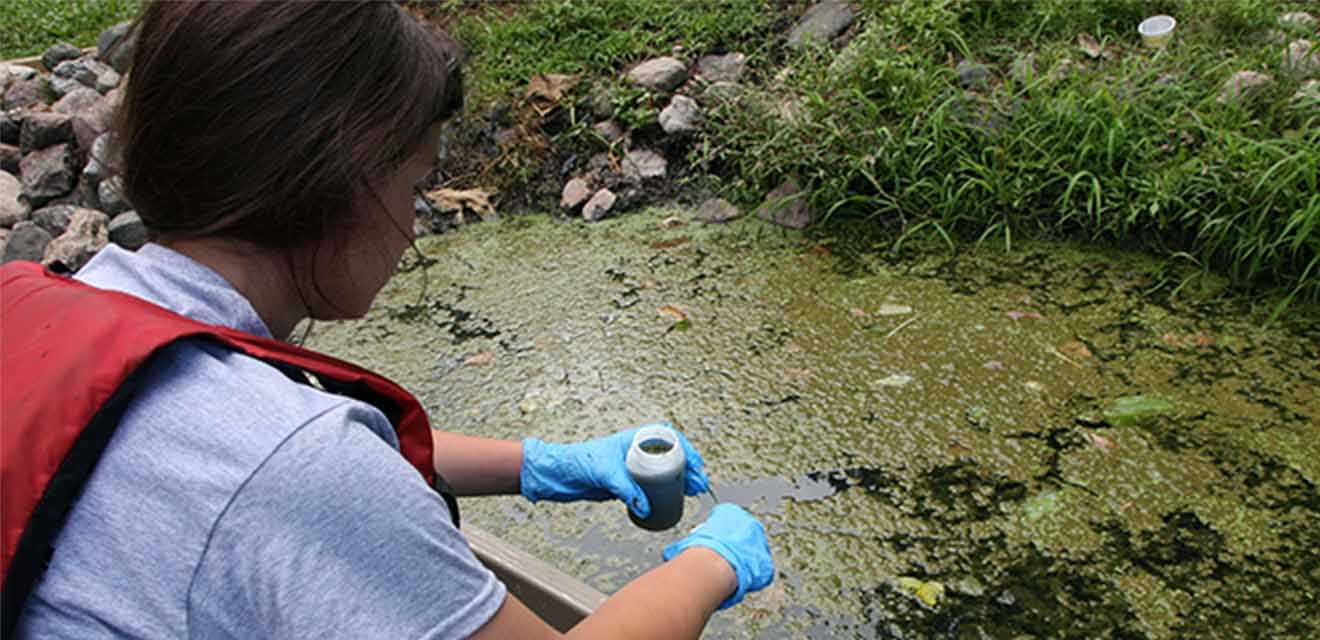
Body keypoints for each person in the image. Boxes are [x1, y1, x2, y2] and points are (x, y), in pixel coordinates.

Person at [0, 2, 773, 638]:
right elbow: (289, 474)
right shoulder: (292, 469)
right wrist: (707, 566)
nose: (413, 221)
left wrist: (543, 463)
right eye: (412, 181)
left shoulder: (70, 299)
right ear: (335, 180)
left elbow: (250, 464)